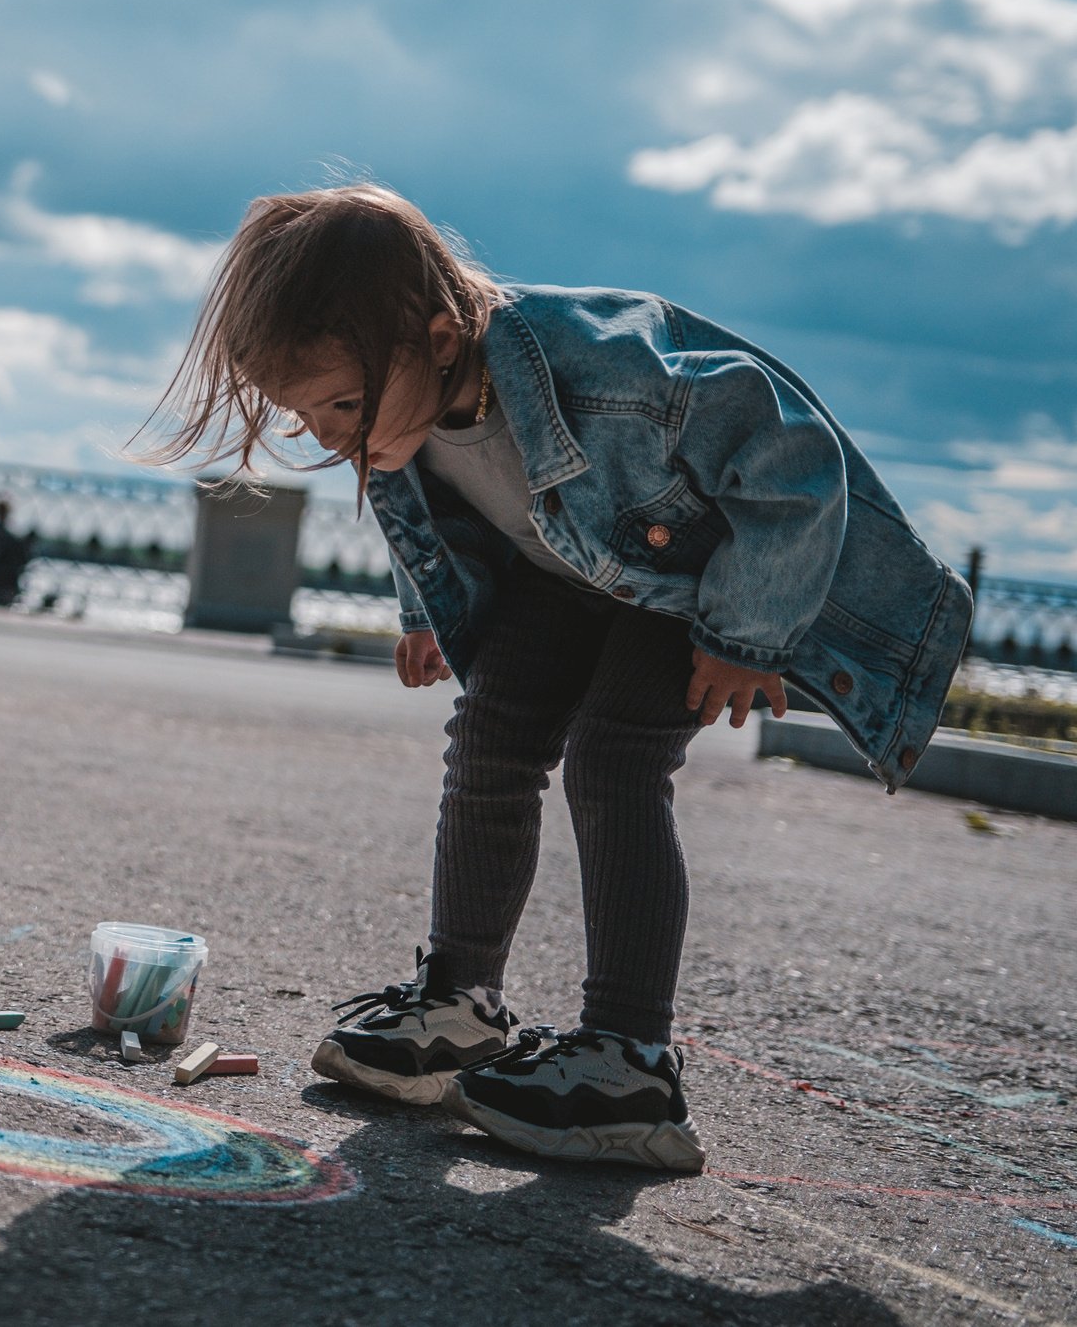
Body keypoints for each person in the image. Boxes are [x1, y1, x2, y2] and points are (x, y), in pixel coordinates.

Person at [139, 184, 970, 1170]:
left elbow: (794, 455)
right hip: (564, 576)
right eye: (303, 412)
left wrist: (745, 633)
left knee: (614, 764)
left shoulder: (610, 368)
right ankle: (458, 1005)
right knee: (489, 740)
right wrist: (425, 613)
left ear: (442, 336)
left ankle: (630, 1060)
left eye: (344, 404)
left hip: (688, 584)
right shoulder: (396, 399)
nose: (327, 434)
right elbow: (418, 493)